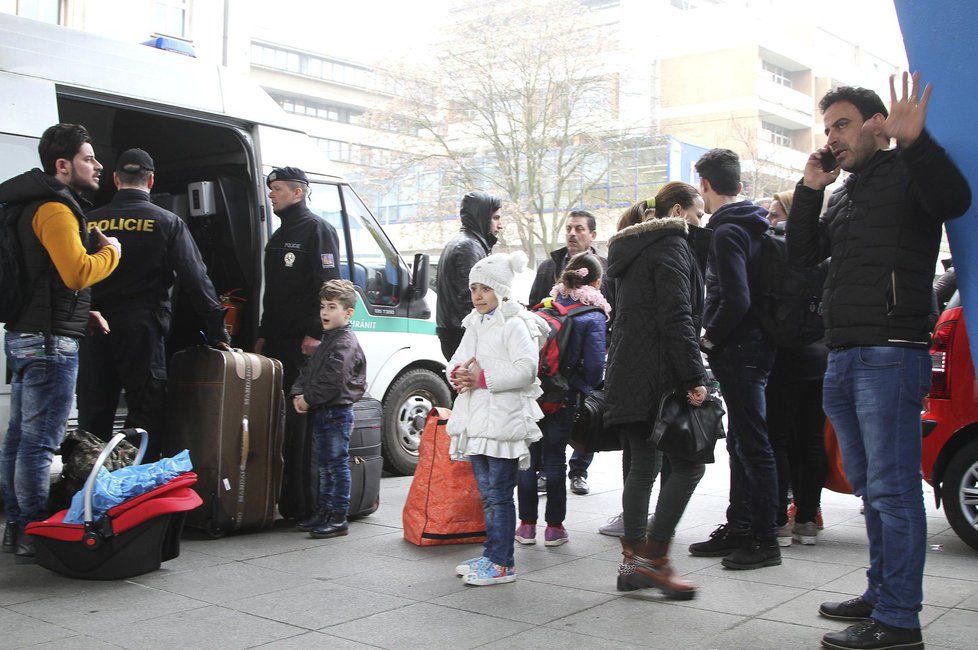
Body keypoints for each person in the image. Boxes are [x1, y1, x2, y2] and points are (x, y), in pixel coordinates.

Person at [788, 74, 971, 650]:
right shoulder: (846, 192)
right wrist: (812, 188)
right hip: (845, 354)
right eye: (827, 130)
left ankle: (899, 620)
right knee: (872, 488)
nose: (833, 138)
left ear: (875, 126)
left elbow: (954, 201)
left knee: (892, 491)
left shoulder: (907, 171)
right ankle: (879, 593)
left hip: (890, 354)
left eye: (842, 125)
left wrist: (916, 142)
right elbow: (801, 255)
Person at [0, 123, 121, 562]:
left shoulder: (28, 203)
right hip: (49, 345)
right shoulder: (55, 209)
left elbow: (42, 279)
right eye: (89, 158)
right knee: (38, 445)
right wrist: (113, 252)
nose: (97, 165)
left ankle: (18, 527)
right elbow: (76, 272)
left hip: (29, 333)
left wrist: (80, 312)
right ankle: (35, 531)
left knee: (19, 440)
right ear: (63, 165)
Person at [76, 148, 229, 459]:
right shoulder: (167, 222)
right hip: (142, 328)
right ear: (151, 180)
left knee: (94, 413)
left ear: (116, 179)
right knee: (145, 412)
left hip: (92, 326)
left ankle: (87, 493)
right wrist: (217, 330)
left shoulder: (89, 222)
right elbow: (195, 277)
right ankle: (134, 495)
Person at [603, 181, 709, 598]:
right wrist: (694, 376)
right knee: (688, 465)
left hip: (628, 374)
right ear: (679, 211)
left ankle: (632, 564)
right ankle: (654, 561)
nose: (701, 223)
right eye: (698, 214)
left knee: (642, 467)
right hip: (659, 377)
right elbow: (677, 317)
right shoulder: (671, 246)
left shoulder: (632, 250)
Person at [689, 149, 781, 570]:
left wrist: (709, 340)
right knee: (746, 443)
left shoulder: (727, 232)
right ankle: (740, 527)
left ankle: (764, 540)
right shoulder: (751, 225)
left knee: (753, 446)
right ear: (739, 185)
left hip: (741, 350)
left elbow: (736, 298)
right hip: (757, 347)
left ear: (705, 186)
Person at [446, 251, 548, 586]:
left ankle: (503, 562)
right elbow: (458, 359)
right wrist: (457, 374)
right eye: (474, 288)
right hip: (478, 421)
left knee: (500, 494)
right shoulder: (474, 322)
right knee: (487, 494)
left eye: (485, 289)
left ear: (501, 290)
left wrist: (482, 379)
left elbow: (526, 369)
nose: (477, 295)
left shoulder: (516, 324)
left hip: (503, 425)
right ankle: (492, 553)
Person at [515, 253, 609, 547]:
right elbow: (594, 367)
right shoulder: (593, 316)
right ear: (597, 281)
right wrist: (583, 387)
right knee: (555, 460)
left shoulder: (544, 307)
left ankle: (526, 527)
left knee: (529, 459)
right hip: (563, 397)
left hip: (533, 394)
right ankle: (554, 529)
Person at [527, 209, 615, 496]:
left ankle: (578, 471)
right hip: (552, 369)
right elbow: (534, 310)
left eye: (579, 228)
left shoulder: (605, 268)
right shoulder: (548, 266)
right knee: (551, 429)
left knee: (585, 419)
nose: (572, 234)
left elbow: (610, 311)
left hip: (586, 359)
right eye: (569, 228)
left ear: (592, 234)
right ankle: (545, 473)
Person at [290, 279, 367, 539]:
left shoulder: (344, 343)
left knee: (335, 465)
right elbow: (311, 371)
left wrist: (307, 399)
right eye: (323, 306)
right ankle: (324, 512)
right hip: (325, 411)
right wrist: (298, 393)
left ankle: (337, 516)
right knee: (325, 466)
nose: (324, 312)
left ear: (348, 313)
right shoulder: (331, 339)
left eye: (332, 307)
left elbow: (332, 381)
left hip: (336, 412)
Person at [255, 167, 341, 391]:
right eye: (271, 190)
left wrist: (315, 332)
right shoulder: (279, 235)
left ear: (297, 193)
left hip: (302, 341)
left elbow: (330, 287)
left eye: (277, 189)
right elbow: (273, 291)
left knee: (298, 408)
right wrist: (264, 333)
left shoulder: (317, 229)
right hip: (277, 338)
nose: (271, 195)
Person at [435, 191, 502, 361]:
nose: (500, 225)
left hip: (454, 332)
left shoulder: (462, 243)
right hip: (463, 335)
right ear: (482, 217)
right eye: (495, 218)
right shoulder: (469, 247)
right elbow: (473, 299)